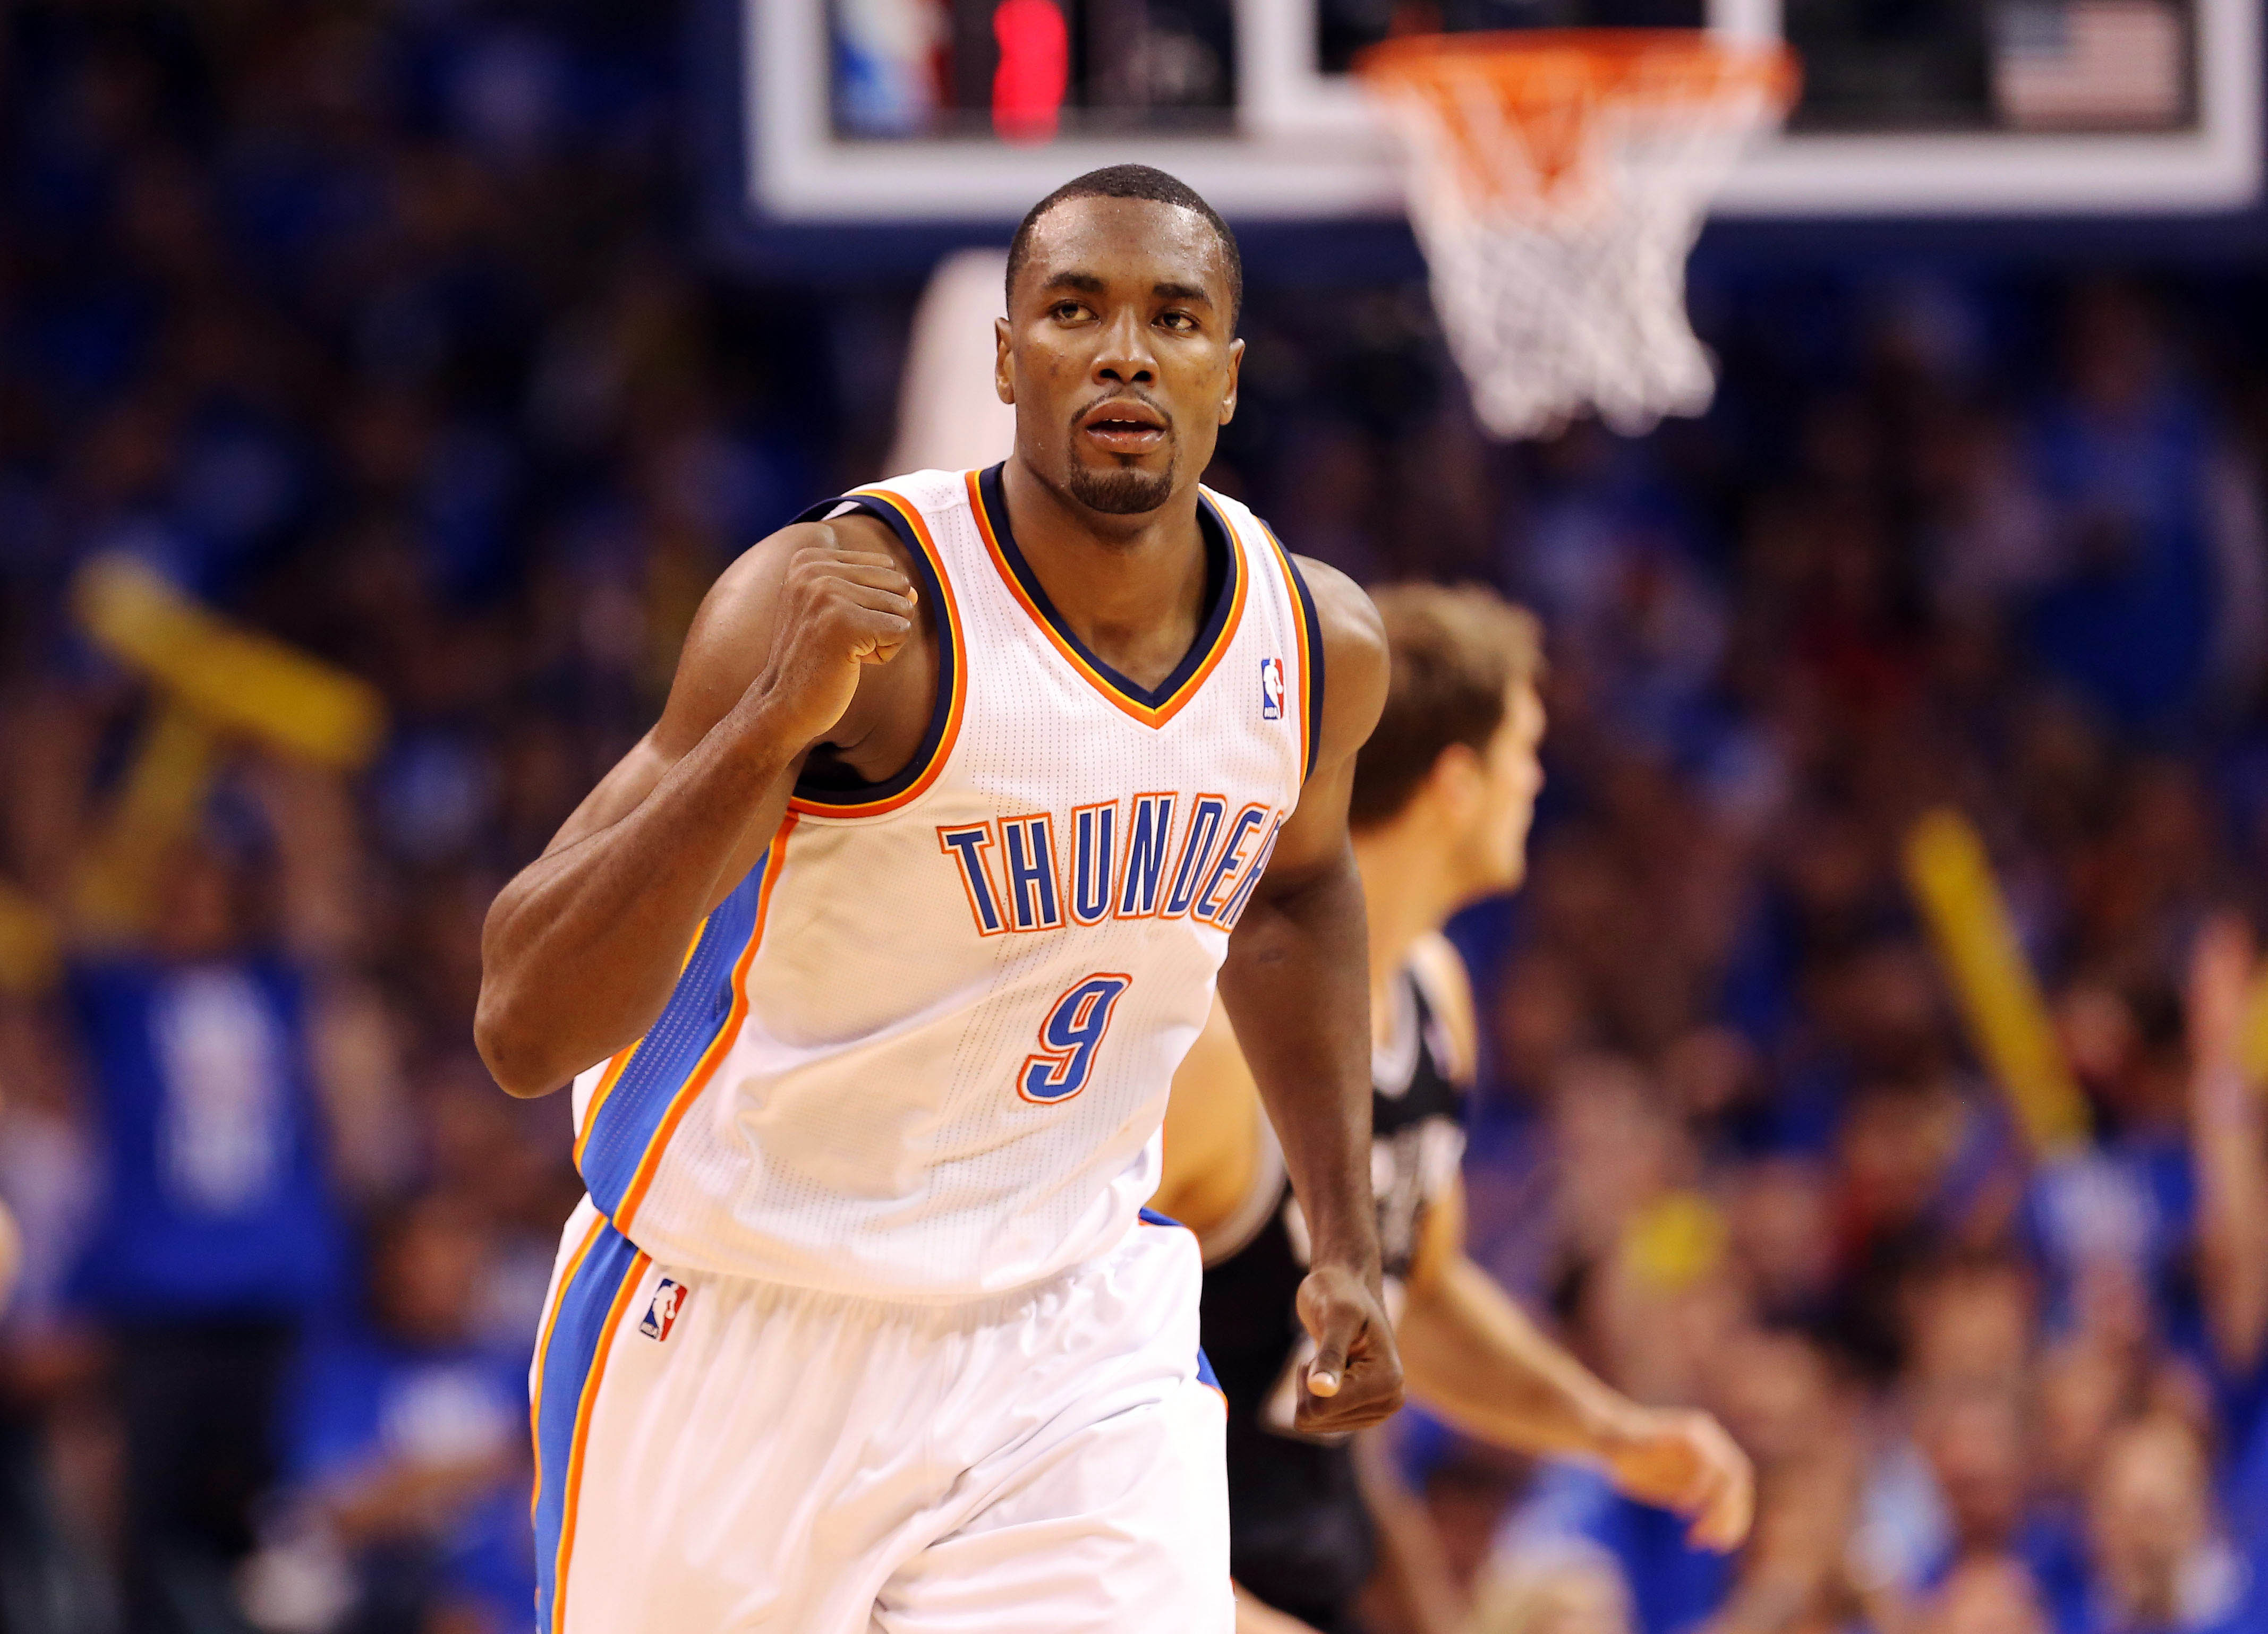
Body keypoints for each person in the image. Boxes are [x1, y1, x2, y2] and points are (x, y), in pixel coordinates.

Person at [475, 164, 1402, 1634]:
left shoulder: (1312, 640)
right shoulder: (846, 603)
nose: (1121, 350)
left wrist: (1341, 1237)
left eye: (1172, 317)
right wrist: (760, 738)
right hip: (738, 1313)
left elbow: (1290, 892)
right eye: (1073, 309)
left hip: (1071, 1325)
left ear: (1228, 376)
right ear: (1003, 358)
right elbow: (525, 1019)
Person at [1149, 586, 1753, 1634]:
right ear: (1455, 783)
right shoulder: (1218, 1044)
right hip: (1152, 1593)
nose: (1538, 777)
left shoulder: (1433, 998)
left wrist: (1610, 1434)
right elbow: (1039, 1368)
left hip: (1303, 1571)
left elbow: (1415, 1295)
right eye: (1525, 746)